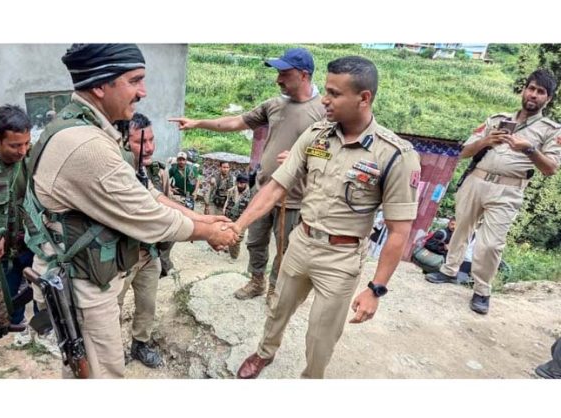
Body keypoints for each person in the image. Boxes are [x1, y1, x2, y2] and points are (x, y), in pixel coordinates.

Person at [24, 43, 238, 379]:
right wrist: (207, 232)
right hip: (84, 285)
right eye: (134, 80)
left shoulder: (86, 128)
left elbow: (144, 192)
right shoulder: (87, 147)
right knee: (101, 376)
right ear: (100, 85)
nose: (143, 91)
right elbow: (148, 216)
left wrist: (201, 218)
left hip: (89, 274)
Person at [234, 56, 421, 379]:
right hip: (301, 242)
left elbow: (398, 231)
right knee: (278, 308)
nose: (324, 99)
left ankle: (312, 378)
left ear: (364, 98)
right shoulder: (316, 136)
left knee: (322, 334)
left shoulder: (394, 155)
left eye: (334, 93)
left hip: (341, 257)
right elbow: (277, 185)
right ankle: (265, 352)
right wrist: (238, 226)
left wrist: (375, 289)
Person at [170, 47, 325, 304]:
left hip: (294, 197)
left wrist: (304, 159)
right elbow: (234, 122)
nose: (278, 79)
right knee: (255, 241)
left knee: (286, 249)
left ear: (304, 75)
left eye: (285, 73)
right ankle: (257, 281)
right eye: (278, 73)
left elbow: (333, 154)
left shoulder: (323, 110)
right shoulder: (274, 105)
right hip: (262, 190)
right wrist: (198, 122)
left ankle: (276, 289)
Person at [425, 69, 561, 315]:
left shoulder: (551, 130)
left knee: (491, 244)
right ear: (524, 90)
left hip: (508, 189)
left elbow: (551, 168)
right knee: (461, 228)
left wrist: (528, 148)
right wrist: (486, 141)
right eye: (531, 88)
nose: (533, 95)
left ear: (548, 99)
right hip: (476, 181)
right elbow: (464, 151)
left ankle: (482, 290)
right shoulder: (497, 119)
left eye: (540, 92)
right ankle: (448, 270)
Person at [0, 104, 44, 346]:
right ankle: (16, 330)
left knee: (41, 289)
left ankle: (41, 330)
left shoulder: (33, 157)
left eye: (26, 143)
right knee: (8, 297)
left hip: (32, 241)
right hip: (1, 249)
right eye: (15, 145)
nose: (22, 150)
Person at [116, 112, 169, 367]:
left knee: (146, 305)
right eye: (140, 142)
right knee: (111, 309)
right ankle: (113, 351)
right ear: (125, 143)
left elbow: (163, 209)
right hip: (121, 258)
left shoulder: (153, 172)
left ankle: (140, 345)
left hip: (149, 254)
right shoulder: (117, 174)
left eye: (151, 140)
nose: (148, 148)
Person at [223, 173, 252, 260]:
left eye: (242, 183)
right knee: (230, 234)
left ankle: (234, 257)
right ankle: (230, 250)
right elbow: (228, 200)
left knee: (237, 237)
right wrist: (224, 208)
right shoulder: (231, 190)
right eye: (238, 183)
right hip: (231, 216)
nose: (240, 185)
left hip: (243, 218)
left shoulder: (250, 194)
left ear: (246, 183)